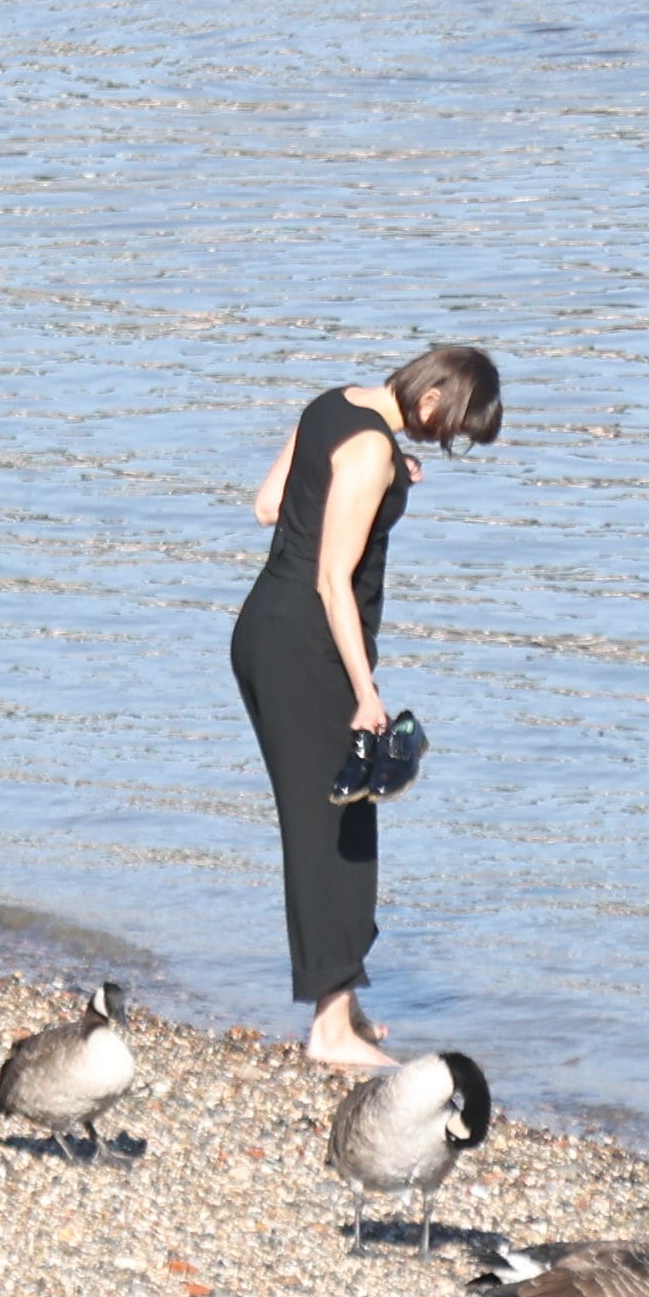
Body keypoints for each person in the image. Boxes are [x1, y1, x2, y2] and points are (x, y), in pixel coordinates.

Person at [235, 340, 500, 1070]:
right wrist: (366, 694)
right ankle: (329, 1032)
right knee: (332, 830)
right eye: (451, 430)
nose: (443, 443)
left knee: (334, 820)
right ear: (433, 400)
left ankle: (344, 1007)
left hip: (264, 630)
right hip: (306, 645)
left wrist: (379, 479)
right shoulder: (370, 452)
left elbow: (267, 508)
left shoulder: (334, 405)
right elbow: (330, 580)